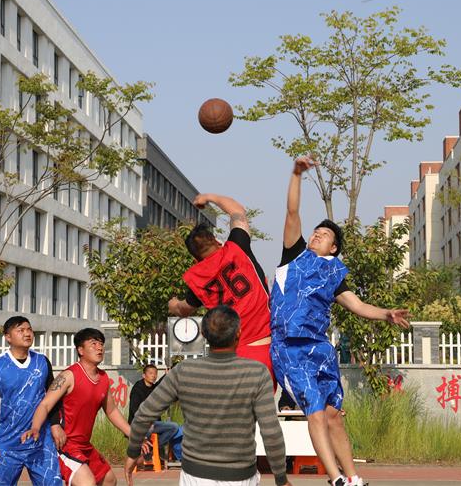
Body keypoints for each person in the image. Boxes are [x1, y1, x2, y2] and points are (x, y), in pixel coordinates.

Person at [270, 157, 410, 486]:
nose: (316, 235)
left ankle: (353, 478)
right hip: (290, 348)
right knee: (315, 411)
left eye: (324, 235)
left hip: (320, 349)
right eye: (315, 232)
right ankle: (335, 479)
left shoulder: (334, 273)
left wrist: (386, 314)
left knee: (333, 416)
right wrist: (296, 174)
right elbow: (292, 213)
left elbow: (357, 305)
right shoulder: (293, 256)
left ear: (333, 248)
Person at [124, 306, 291, 486]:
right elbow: (271, 432)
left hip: (194, 476)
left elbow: (143, 415)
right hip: (240, 477)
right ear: (239, 332)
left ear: (203, 334)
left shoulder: (183, 371)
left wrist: (133, 453)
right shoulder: (257, 373)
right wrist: (281, 478)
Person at [168, 193, 274, 379]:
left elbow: (184, 309)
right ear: (217, 241)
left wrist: (173, 304)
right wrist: (208, 197)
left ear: (195, 259)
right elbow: (237, 211)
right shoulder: (237, 246)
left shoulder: (198, 279)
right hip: (263, 349)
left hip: (230, 356)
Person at [22, 328, 129, 486]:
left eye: (101, 344)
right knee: (87, 482)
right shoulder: (68, 376)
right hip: (64, 445)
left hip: (84, 445)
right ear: (80, 350)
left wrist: (132, 433)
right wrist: (35, 427)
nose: (99, 348)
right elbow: (45, 404)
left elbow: (111, 410)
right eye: (93, 344)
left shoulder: (103, 378)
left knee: (109, 480)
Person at [0, 316, 62, 485]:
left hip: (40, 442)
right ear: (8, 337)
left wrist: (55, 424)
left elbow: (52, 397)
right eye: (20, 330)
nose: (27, 333)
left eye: (29, 329)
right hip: (6, 444)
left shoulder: (42, 362)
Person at [127, 364, 183, 464]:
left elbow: (159, 385)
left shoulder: (153, 387)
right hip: (139, 424)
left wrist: (166, 375)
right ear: (144, 375)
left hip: (152, 424)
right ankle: (145, 454)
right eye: (150, 373)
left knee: (174, 427)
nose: (153, 376)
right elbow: (134, 409)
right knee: (148, 429)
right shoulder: (137, 389)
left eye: (155, 373)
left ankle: (152, 448)